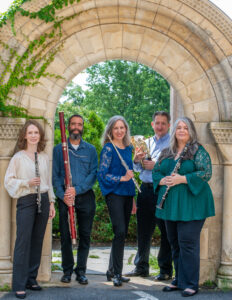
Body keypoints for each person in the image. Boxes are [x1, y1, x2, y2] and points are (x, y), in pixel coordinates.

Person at [153, 117, 215, 297]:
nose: (181, 130)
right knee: (174, 243)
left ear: (191, 131)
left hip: (192, 203)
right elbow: (156, 171)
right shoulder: (167, 151)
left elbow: (206, 172)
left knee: (188, 243)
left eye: (185, 128)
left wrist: (183, 179)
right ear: (174, 131)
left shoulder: (197, 150)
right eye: (178, 127)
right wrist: (162, 180)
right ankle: (179, 280)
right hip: (170, 205)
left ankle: (191, 283)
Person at [4, 120, 56, 299]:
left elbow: (48, 183)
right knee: (23, 242)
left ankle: (31, 279)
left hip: (42, 198)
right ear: (25, 135)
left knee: (37, 241)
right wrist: (27, 182)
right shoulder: (18, 157)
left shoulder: (42, 157)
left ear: (40, 136)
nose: (34, 135)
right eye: (30, 132)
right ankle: (18, 284)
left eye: (36, 132)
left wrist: (51, 203)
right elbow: (8, 181)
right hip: (26, 200)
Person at [126, 111, 172, 280]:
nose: (159, 126)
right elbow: (137, 169)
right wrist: (137, 160)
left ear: (168, 125)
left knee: (166, 231)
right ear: (152, 124)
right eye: (157, 123)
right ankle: (141, 267)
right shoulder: (144, 142)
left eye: (163, 123)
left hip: (162, 191)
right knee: (143, 230)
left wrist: (156, 167)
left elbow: (174, 168)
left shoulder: (172, 144)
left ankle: (165, 270)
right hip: (145, 190)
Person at [52, 114, 98, 285]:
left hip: (85, 196)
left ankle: (81, 271)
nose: (76, 127)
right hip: (65, 198)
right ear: (68, 126)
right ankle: (67, 270)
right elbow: (55, 176)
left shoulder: (91, 150)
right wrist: (63, 194)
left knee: (85, 235)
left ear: (82, 127)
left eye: (79, 124)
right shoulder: (58, 150)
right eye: (73, 124)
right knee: (65, 235)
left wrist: (76, 190)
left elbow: (93, 174)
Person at [98, 116, 135, 287]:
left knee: (122, 233)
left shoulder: (129, 148)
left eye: (122, 127)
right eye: (116, 128)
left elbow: (131, 175)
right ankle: (117, 274)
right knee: (119, 231)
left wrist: (133, 199)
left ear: (126, 129)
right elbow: (102, 175)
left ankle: (112, 270)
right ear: (110, 131)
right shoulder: (108, 148)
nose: (119, 131)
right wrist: (122, 178)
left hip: (128, 195)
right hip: (114, 194)